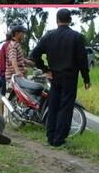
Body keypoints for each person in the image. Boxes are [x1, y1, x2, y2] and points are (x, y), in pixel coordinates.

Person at [30, 9, 90, 147]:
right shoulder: (77, 37)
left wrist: (45, 70)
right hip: (69, 77)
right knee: (65, 108)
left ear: (57, 20)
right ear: (70, 20)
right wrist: (86, 79)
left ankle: (50, 137)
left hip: (54, 76)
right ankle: (59, 139)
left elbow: (34, 55)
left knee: (53, 106)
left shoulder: (49, 36)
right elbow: (83, 61)